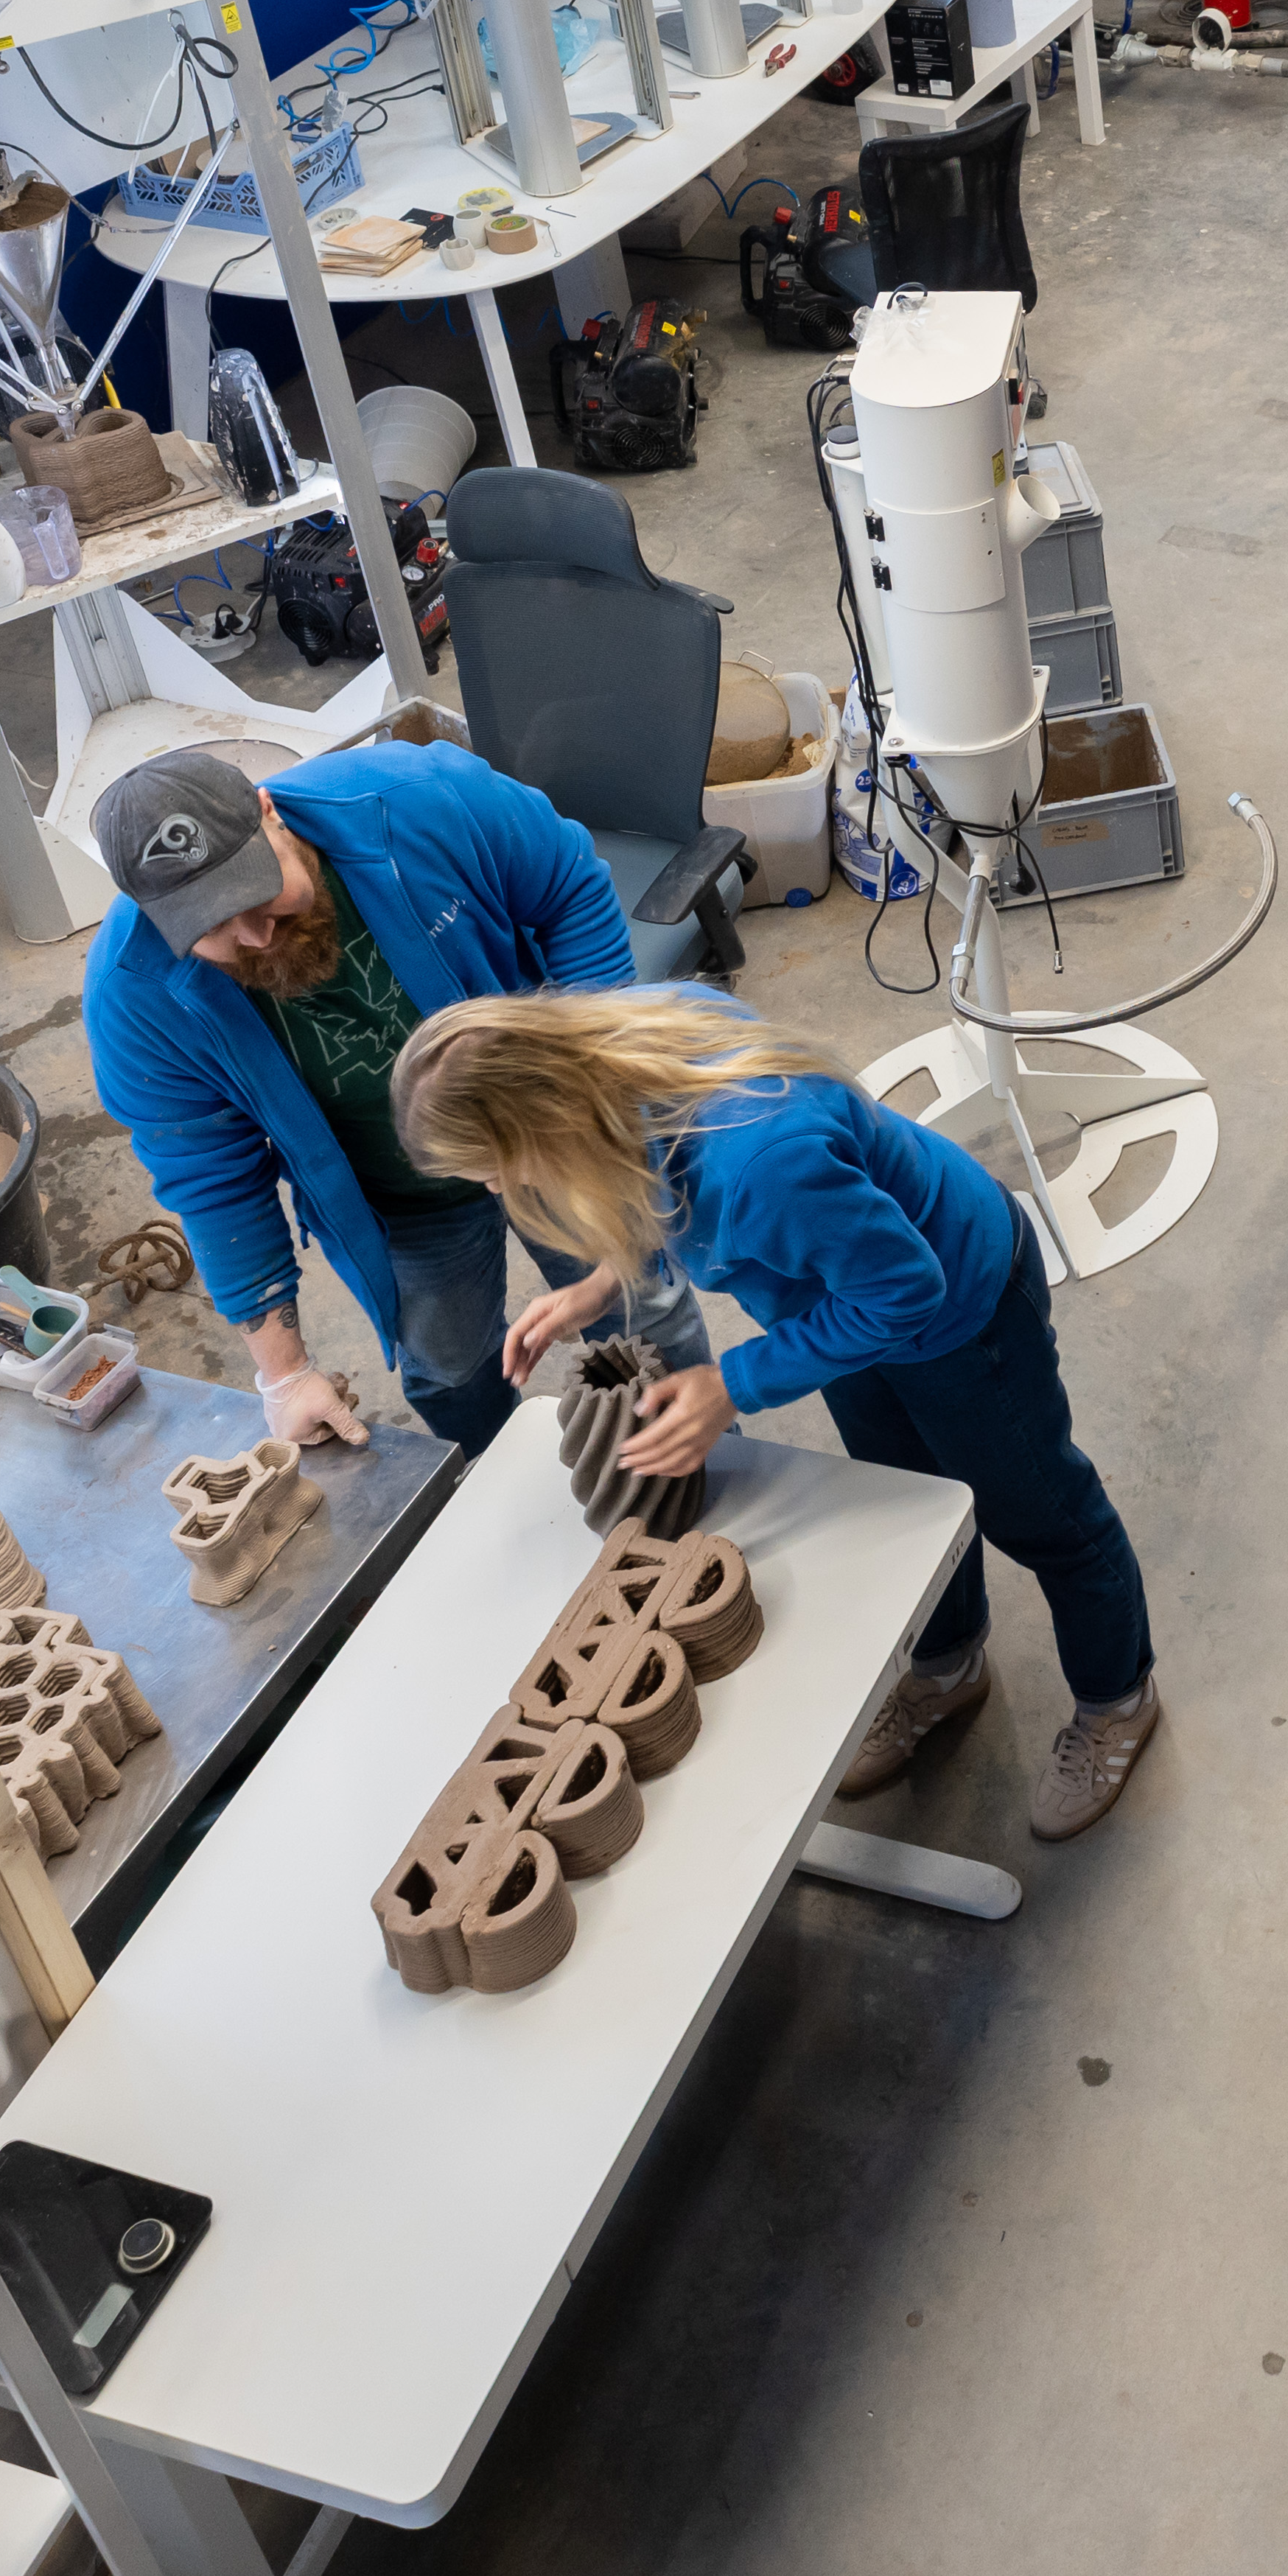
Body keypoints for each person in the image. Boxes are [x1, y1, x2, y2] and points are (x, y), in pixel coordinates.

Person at [391, 985, 1166, 1837]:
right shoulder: (617, 1056)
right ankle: (948, 1667)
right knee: (912, 1498)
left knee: (1042, 1515)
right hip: (843, 1309)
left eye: (495, 1171)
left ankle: (1118, 1697)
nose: (498, 1188)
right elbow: (651, 1186)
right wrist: (603, 1284)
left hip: (957, 1314)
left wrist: (731, 1384)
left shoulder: (760, 1163)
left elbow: (907, 1291)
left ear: (541, 1119)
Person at [81, 738, 712, 1458]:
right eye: (211, 929)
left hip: (550, 1128)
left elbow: (569, 886)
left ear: (269, 813)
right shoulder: (134, 998)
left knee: (641, 1309)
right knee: (450, 1371)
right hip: (397, 1198)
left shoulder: (418, 800)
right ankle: (486, 1475)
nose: (255, 935)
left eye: (257, 893)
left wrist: (586, 1084)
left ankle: (708, 1460)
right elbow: (212, 1178)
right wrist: (284, 1376)